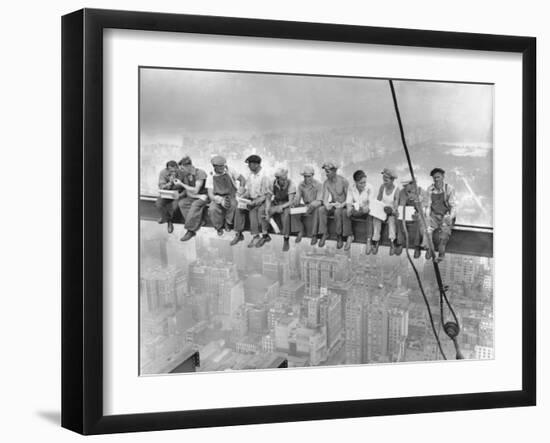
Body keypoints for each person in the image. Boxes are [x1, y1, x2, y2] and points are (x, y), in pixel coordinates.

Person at [233, 154, 272, 248]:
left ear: (256, 164)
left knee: (253, 211)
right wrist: (242, 197)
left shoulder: (265, 176)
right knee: (239, 209)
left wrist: (255, 202)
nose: (249, 166)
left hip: (262, 200)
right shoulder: (250, 175)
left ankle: (259, 236)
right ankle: (238, 233)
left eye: (250, 164)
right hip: (251, 199)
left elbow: (267, 195)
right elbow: (248, 190)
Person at [206, 155, 246, 238]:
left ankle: (228, 223)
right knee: (212, 209)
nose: (222, 168)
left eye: (223, 165)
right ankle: (218, 227)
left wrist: (240, 189)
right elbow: (210, 194)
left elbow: (242, 179)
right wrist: (220, 200)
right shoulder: (210, 175)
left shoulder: (230, 170)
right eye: (220, 166)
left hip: (231, 195)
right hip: (218, 196)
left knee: (233, 205)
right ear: (214, 166)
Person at [424, 168, 457, 262]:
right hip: (434, 215)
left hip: (446, 215)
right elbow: (428, 206)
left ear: (443, 177)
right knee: (427, 230)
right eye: (434, 178)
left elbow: (453, 206)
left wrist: (450, 217)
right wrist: (427, 217)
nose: (436, 179)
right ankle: (430, 249)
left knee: (443, 235)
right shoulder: (430, 189)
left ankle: (441, 254)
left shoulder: (449, 188)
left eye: (438, 177)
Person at [174, 155, 209, 242]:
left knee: (195, 205)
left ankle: (190, 230)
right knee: (182, 203)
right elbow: (189, 192)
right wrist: (197, 196)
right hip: (197, 197)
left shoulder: (200, 173)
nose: (181, 171)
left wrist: (181, 184)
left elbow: (196, 190)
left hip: (205, 196)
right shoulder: (186, 176)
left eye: (182, 168)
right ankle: (198, 221)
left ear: (188, 166)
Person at [317, 162, 349, 248]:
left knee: (337, 212)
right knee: (321, 209)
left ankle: (339, 236)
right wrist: (327, 204)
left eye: (328, 171)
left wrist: (342, 205)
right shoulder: (326, 183)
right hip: (334, 205)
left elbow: (349, 198)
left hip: (343, 206)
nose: (326, 174)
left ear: (334, 171)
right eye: (325, 171)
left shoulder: (343, 181)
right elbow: (325, 198)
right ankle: (325, 233)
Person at [265, 168, 296, 252]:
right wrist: (268, 210)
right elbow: (268, 198)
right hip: (276, 201)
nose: (284, 181)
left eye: (285, 179)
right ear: (277, 179)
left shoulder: (291, 184)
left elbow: (291, 201)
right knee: (265, 211)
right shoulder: (272, 183)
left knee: (286, 214)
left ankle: (286, 238)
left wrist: (280, 207)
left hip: (286, 203)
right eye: (282, 179)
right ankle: (265, 234)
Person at [343, 170, 375, 253]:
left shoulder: (369, 188)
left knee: (370, 215)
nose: (363, 185)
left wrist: (365, 208)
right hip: (356, 210)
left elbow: (371, 203)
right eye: (361, 183)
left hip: (366, 211)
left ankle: (368, 240)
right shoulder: (351, 187)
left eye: (364, 182)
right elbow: (349, 202)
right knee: (345, 213)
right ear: (356, 182)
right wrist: (349, 208)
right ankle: (350, 236)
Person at [292, 165, 323, 244]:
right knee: (293, 210)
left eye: (309, 176)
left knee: (316, 211)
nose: (307, 178)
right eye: (305, 176)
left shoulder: (318, 185)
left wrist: (313, 205)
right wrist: (295, 201)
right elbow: (298, 197)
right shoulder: (301, 185)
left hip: (315, 205)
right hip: (306, 205)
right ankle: (301, 230)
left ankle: (314, 235)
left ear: (312, 175)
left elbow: (319, 200)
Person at [372, 168, 399, 255]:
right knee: (376, 219)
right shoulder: (382, 187)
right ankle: (376, 241)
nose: (384, 182)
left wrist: (391, 210)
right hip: (381, 211)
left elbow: (396, 206)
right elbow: (378, 200)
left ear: (392, 180)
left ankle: (392, 242)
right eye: (383, 180)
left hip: (391, 212)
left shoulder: (396, 190)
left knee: (391, 221)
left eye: (386, 180)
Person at [396, 180, 426, 258]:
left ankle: (417, 246)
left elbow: (424, 209)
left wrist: (416, 200)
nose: (405, 188)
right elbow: (401, 205)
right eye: (404, 186)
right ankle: (400, 243)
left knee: (419, 221)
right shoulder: (402, 192)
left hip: (418, 213)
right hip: (406, 213)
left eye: (407, 185)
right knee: (398, 219)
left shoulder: (421, 191)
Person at [155, 160, 182, 234]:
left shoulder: (181, 172)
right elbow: (161, 186)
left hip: (177, 193)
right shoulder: (163, 173)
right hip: (166, 193)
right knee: (158, 204)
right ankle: (167, 219)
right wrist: (169, 183)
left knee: (175, 207)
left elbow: (185, 186)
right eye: (171, 171)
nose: (173, 172)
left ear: (177, 168)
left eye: (175, 170)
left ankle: (169, 221)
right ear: (167, 169)